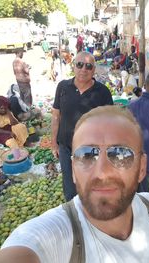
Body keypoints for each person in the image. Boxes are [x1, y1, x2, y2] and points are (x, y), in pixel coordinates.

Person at [0, 106, 149, 263]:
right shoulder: (55, 237)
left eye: (120, 154)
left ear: (141, 167)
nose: (102, 172)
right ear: (72, 169)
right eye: (87, 155)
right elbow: (27, 250)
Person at [51, 51, 113, 201]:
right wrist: (54, 143)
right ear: (73, 66)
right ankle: (74, 217)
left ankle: (91, 216)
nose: (83, 69)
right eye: (79, 65)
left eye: (88, 66)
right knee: (70, 187)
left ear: (93, 70)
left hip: (91, 151)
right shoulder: (63, 87)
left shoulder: (102, 92)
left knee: (90, 185)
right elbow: (55, 116)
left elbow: (109, 122)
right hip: (66, 147)